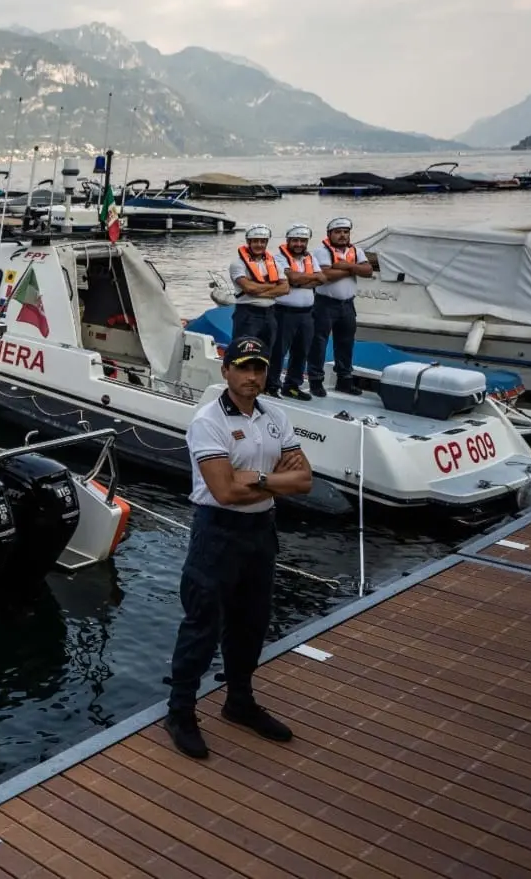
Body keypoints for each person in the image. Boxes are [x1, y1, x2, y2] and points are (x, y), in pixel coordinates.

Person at [164, 336, 313, 760]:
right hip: (218, 532)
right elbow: (225, 491)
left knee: (252, 622)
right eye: (244, 368)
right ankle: (180, 712)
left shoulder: (275, 416)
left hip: (261, 531)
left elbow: (305, 482)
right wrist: (270, 483)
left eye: (259, 369)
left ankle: (239, 701)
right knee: (202, 624)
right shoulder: (208, 422)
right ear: (225, 371)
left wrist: (261, 480)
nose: (252, 377)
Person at [309, 216, 372, 397]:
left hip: (347, 305)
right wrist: (353, 269)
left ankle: (344, 380)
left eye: (346, 232)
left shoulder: (356, 250)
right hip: (325, 304)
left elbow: (368, 271)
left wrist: (344, 266)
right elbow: (326, 274)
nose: (343, 235)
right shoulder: (321, 252)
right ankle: (315, 380)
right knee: (318, 343)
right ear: (330, 234)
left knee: (346, 343)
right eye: (338, 232)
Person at [267, 224, 328, 400]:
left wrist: (299, 282)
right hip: (284, 312)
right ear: (288, 241)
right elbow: (292, 278)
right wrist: (304, 279)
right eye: (295, 240)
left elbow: (322, 279)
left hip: (307, 313)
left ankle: (292, 386)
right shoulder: (278, 259)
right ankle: (271, 385)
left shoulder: (310, 258)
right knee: (278, 351)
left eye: (302, 240)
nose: (299, 244)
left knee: (302, 351)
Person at [228, 225, 289, 354]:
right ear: (248, 242)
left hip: (270, 314)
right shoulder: (238, 264)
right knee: (243, 352)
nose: (259, 245)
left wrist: (258, 290)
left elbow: (285, 288)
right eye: (255, 241)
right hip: (248, 314)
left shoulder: (274, 264)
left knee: (267, 353)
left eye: (263, 241)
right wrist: (272, 286)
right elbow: (248, 288)